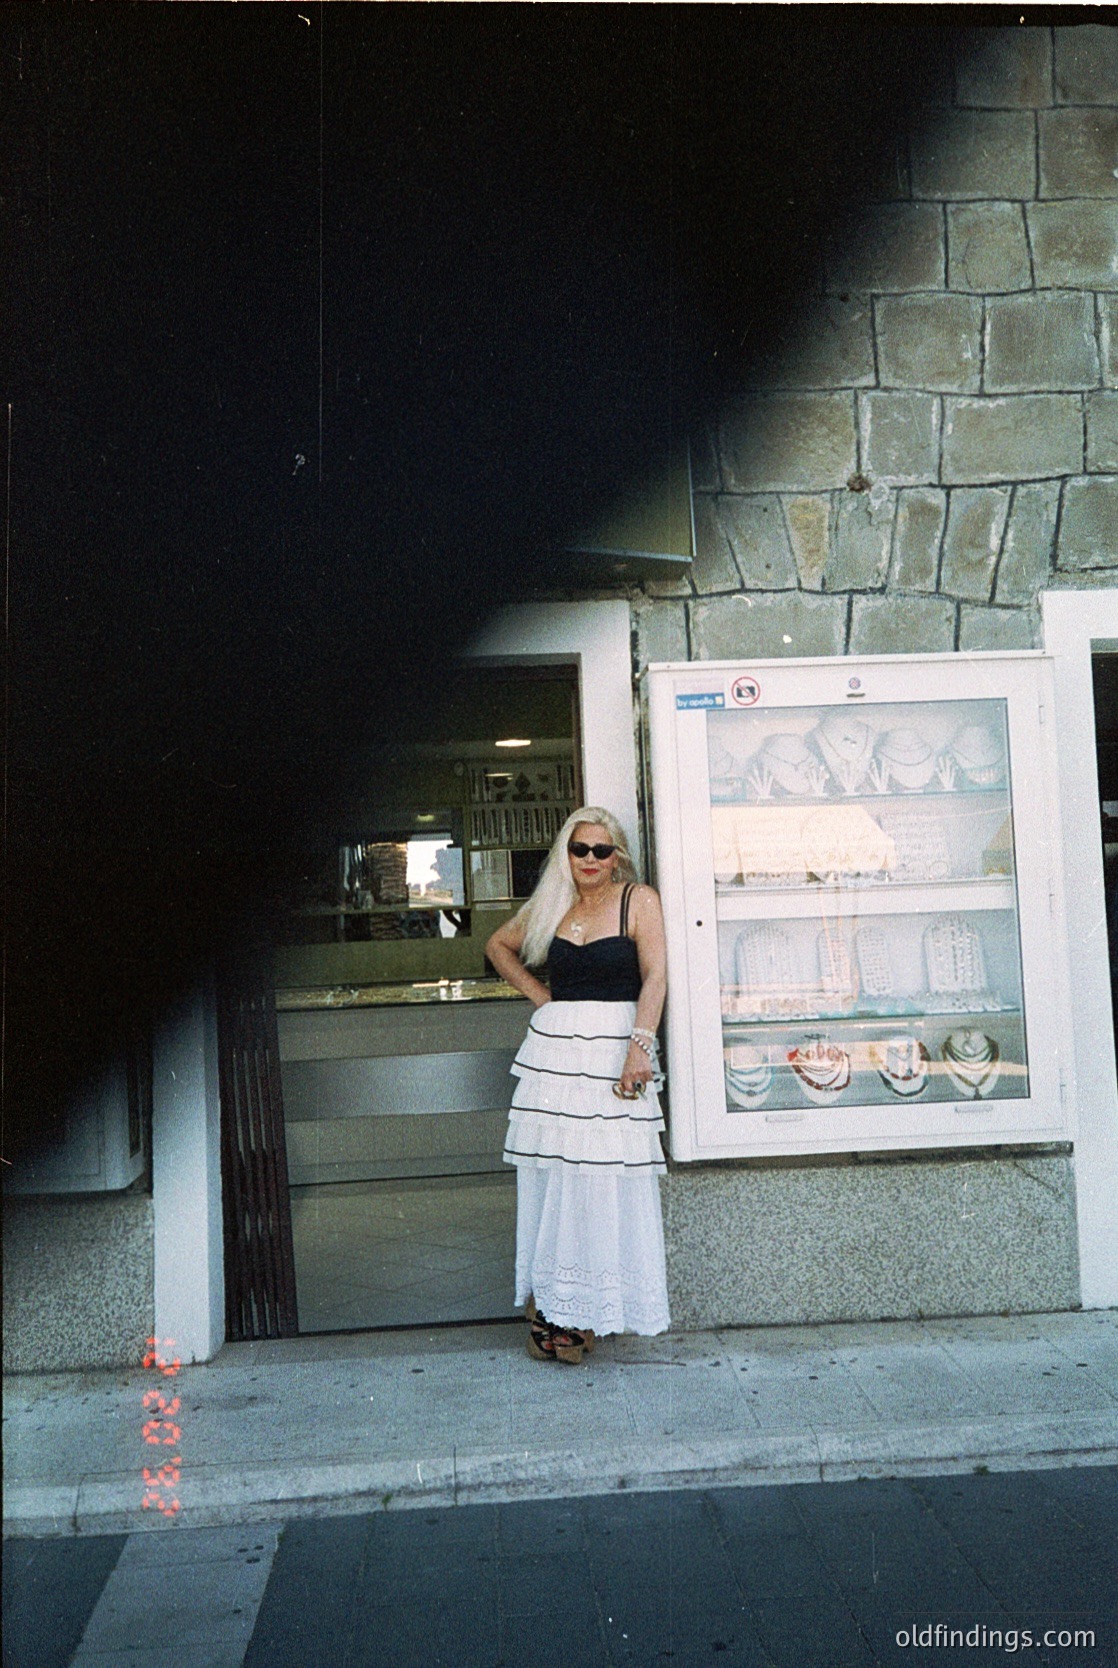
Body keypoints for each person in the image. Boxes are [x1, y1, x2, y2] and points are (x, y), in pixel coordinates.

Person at [486, 807, 670, 1363]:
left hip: (616, 1053)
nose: (590, 860)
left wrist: (641, 1044)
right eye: (579, 849)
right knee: (558, 1180)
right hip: (557, 1060)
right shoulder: (553, 903)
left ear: (618, 855)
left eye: (601, 850)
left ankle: (594, 1309)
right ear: (566, 853)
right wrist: (542, 998)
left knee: (604, 1180)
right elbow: (498, 946)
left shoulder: (639, 900)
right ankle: (557, 1310)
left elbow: (656, 975)